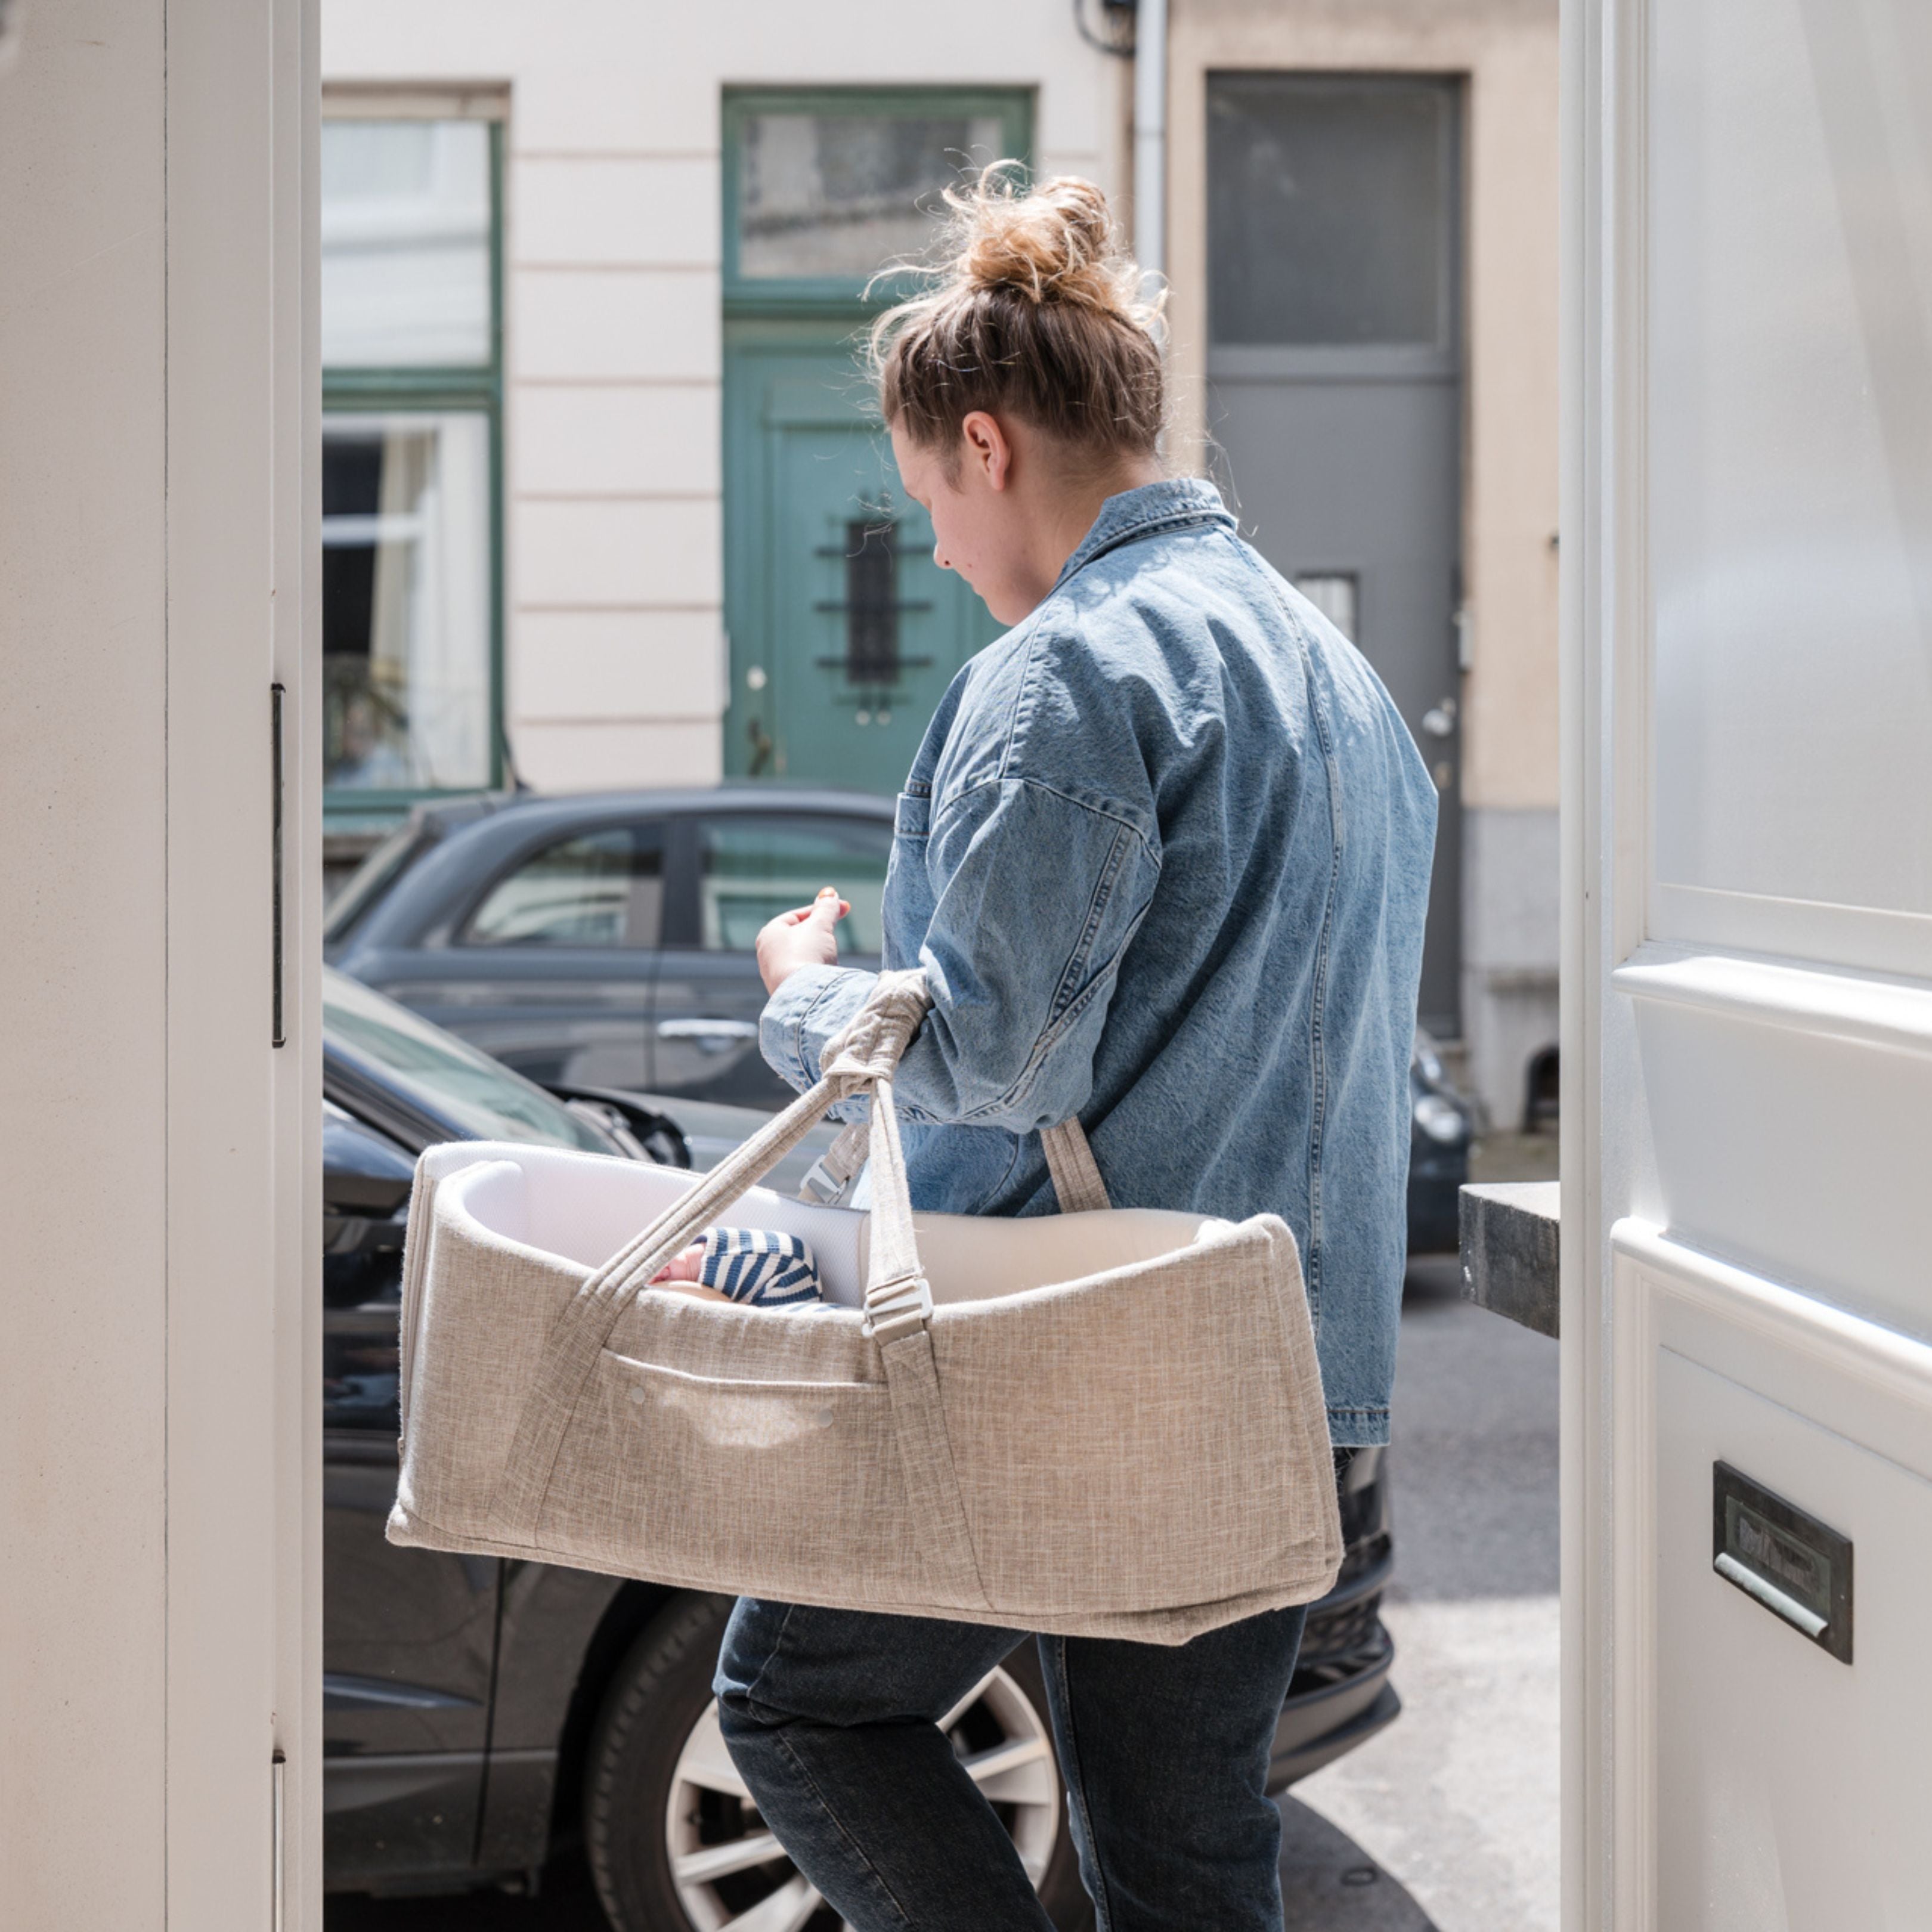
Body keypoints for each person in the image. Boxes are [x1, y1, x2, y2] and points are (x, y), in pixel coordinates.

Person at [714, 167, 1437, 1932]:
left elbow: (993, 1065)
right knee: (1186, 1865)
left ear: (985, 445)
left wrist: (805, 989)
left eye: (923, 507)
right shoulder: (1337, 677)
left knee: (793, 1699)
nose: (942, 556)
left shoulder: (1072, 673)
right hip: (1285, 1383)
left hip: (1084, 1364)